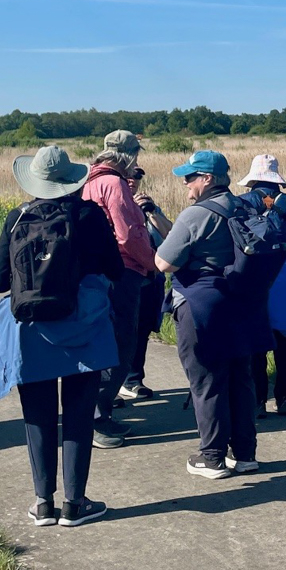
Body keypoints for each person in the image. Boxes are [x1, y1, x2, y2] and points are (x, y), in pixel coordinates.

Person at [0, 145, 122, 528]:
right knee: (79, 415)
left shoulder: (18, 218)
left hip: (31, 330)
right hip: (84, 325)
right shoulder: (90, 215)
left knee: (38, 414)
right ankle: (75, 504)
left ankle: (43, 503)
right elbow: (115, 267)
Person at [154, 150, 259, 479]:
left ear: (207, 179)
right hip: (243, 305)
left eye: (190, 177)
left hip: (202, 308)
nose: (185, 183)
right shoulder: (247, 207)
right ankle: (245, 454)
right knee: (241, 379)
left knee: (207, 382)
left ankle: (211, 457)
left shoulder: (195, 215)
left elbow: (164, 264)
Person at [82, 130, 154, 448]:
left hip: (93, 275)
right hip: (122, 273)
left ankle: (94, 414)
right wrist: (153, 262)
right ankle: (98, 419)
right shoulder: (115, 185)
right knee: (121, 346)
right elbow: (128, 235)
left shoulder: (87, 182)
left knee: (99, 344)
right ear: (128, 156)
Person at [238, 153, 286, 416]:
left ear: (252, 180)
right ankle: (283, 399)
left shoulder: (241, 203)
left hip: (255, 275)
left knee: (256, 342)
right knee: (284, 340)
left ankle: (258, 401)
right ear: (276, 180)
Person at [120, 164, 171, 402]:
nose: (132, 180)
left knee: (142, 331)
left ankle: (133, 379)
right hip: (127, 278)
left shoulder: (146, 204)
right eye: (127, 176)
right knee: (121, 331)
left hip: (151, 280)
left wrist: (152, 212)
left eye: (137, 176)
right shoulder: (114, 205)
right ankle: (112, 385)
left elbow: (172, 236)